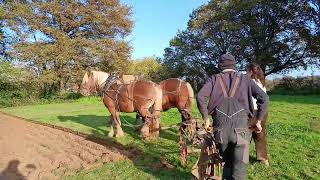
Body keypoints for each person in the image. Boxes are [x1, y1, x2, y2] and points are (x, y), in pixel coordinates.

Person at [196, 54, 269, 179]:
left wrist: (206, 118)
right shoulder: (246, 79)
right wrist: (258, 120)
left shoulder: (213, 79)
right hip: (243, 132)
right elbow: (264, 98)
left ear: (220, 66)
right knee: (241, 168)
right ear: (234, 65)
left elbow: (200, 96)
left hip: (220, 132)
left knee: (225, 164)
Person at [247, 63, 269, 166]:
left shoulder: (249, 82)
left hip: (251, 111)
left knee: (245, 135)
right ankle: (263, 158)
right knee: (261, 134)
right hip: (263, 111)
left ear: (251, 71)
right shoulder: (262, 82)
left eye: (248, 70)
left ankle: (242, 157)